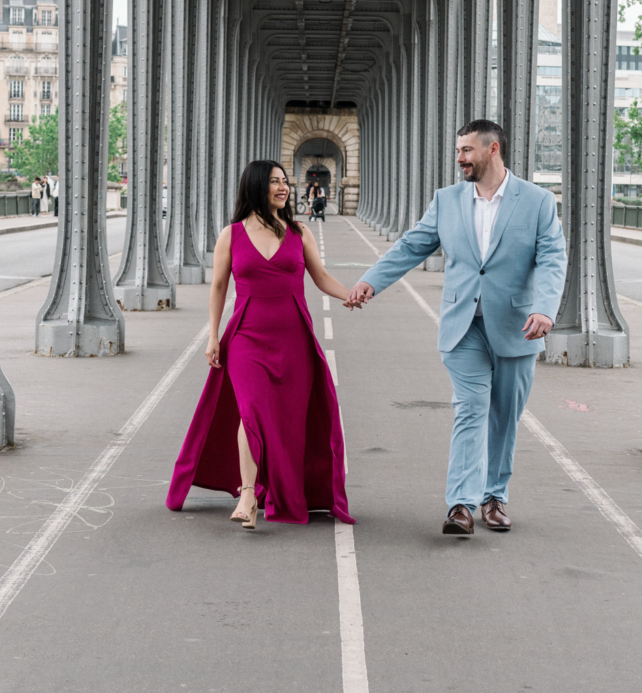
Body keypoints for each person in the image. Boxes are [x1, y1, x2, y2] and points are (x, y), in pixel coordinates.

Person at [344, 119, 566, 538]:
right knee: (470, 409)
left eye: (466, 150)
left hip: (517, 327)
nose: (459, 158)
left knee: (505, 417)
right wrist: (370, 281)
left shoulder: (537, 202)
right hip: (463, 326)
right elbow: (412, 245)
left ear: (493, 149)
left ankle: (494, 496)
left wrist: (545, 310)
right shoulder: (446, 201)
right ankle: (461, 504)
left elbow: (554, 258)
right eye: (458, 150)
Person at [167, 159, 354, 529]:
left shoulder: (300, 233)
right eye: (274, 181)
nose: (283, 187)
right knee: (250, 412)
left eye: (285, 181)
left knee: (285, 421)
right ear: (255, 186)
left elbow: (321, 277)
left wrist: (352, 295)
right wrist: (212, 336)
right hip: (247, 336)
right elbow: (219, 287)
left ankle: (281, 490)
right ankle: (249, 494)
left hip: (294, 338)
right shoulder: (231, 234)